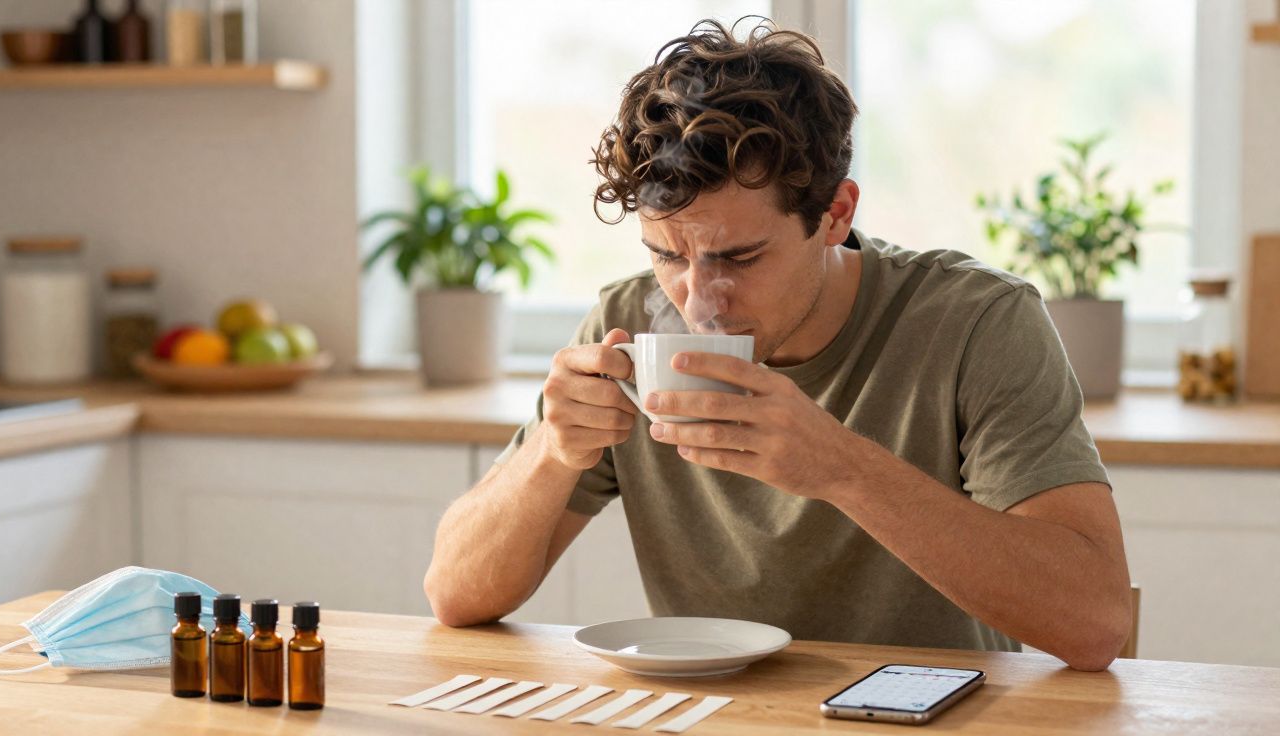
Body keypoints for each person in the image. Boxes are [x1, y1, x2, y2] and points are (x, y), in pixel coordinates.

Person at [424, 18, 1131, 671]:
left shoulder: (977, 322)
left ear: (835, 214)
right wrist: (552, 453)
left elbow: (1096, 623)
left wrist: (843, 468)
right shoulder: (625, 326)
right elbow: (453, 595)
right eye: (667, 256)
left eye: (738, 258)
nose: (699, 300)